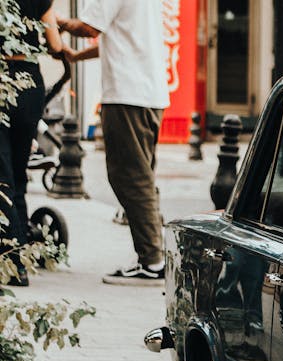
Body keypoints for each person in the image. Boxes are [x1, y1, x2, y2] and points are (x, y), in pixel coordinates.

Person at [59, 0, 169, 285]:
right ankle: (154, 256)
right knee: (142, 177)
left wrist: (55, 21)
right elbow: (122, 40)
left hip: (126, 95)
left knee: (130, 178)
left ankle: (152, 262)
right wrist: (78, 57)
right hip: (150, 95)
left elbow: (89, 27)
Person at [0, 0, 68, 287]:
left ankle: (13, 262)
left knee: (2, 176)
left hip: (4, 82)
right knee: (17, 174)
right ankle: (20, 256)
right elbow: (55, 44)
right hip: (30, 84)